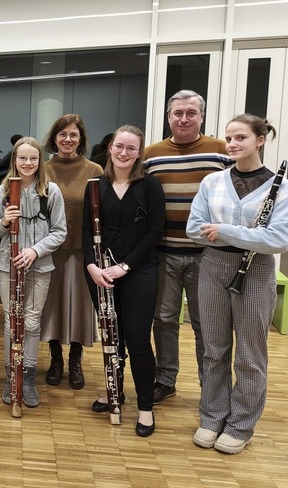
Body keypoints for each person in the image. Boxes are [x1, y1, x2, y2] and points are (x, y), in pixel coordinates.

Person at [187, 114, 288, 454]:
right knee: (213, 348)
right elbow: (193, 228)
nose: (232, 144)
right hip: (213, 266)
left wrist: (225, 231)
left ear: (260, 140)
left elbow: (278, 238)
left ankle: (241, 423)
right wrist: (246, 235)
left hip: (256, 270)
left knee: (250, 352)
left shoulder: (281, 185)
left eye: (240, 138)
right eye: (229, 138)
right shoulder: (212, 182)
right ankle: (212, 415)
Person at [143, 89, 233, 405]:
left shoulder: (222, 151)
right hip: (164, 252)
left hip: (209, 255)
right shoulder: (151, 154)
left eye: (190, 113)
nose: (183, 119)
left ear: (201, 116)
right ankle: (165, 379)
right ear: (168, 117)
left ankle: (211, 386)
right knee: (164, 319)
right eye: (177, 113)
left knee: (206, 323)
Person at [83, 124, 165, 437]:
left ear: (139, 153)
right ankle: (115, 392)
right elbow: (86, 232)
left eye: (131, 148)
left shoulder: (150, 185)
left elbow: (154, 232)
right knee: (111, 338)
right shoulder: (96, 185)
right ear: (110, 147)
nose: (124, 153)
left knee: (137, 340)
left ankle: (145, 407)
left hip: (139, 270)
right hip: (100, 272)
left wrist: (126, 266)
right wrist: (91, 266)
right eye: (119, 146)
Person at [0, 136, 66, 407]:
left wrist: (35, 251)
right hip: (8, 265)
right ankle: (13, 377)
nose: (28, 163)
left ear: (40, 161)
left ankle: (29, 377)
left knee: (32, 322)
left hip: (40, 265)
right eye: (22, 158)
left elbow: (60, 232)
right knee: (12, 320)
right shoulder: (2, 190)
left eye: (33, 158)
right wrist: (3, 221)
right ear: (14, 160)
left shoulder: (51, 191)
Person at [40, 114, 103, 390]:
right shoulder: (42, 169)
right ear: (54, 138)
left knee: (79, 309)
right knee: (51, 308)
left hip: (82, 251)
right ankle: (56, 360)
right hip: (49, 251)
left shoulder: (95, 170)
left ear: (81, 139)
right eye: (62, 134)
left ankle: (75, 360)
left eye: (73, 135)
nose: (67, 139)